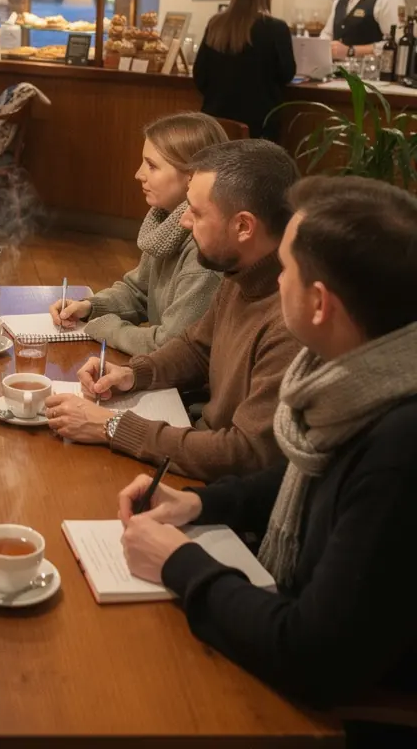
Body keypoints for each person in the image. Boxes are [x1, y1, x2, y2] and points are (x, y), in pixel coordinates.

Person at [118, 176, 417, 718]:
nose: (276, 282)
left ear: (320, 303)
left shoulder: (398, 452)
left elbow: (312, 656)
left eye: (288, 269)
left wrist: (180, 564)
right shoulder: (359, 379)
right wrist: (204, 504)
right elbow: (312, 473)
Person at [46, 140, 301, 481]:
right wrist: (133, 374)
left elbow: (243, 454)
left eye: (196, 212)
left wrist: (111, 426)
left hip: (220, 487)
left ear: (243, 226)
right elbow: (198, 349)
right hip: (197, 450)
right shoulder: (242, 270)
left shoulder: (293, 320)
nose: (183, 221)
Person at [49, 113, 227, 354]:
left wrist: (107, 328)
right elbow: (137, 292)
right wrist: (89, 307)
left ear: (192, 177)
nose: (138, 174)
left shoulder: (204, 253)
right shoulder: (166, 222)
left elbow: (170, 345)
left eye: (152, 165)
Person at [192, 0, 297, 140]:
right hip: (260, 126)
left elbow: (200, 75)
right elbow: (286, 73)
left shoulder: (216, 24)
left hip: (216, 123)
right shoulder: (275, 28)